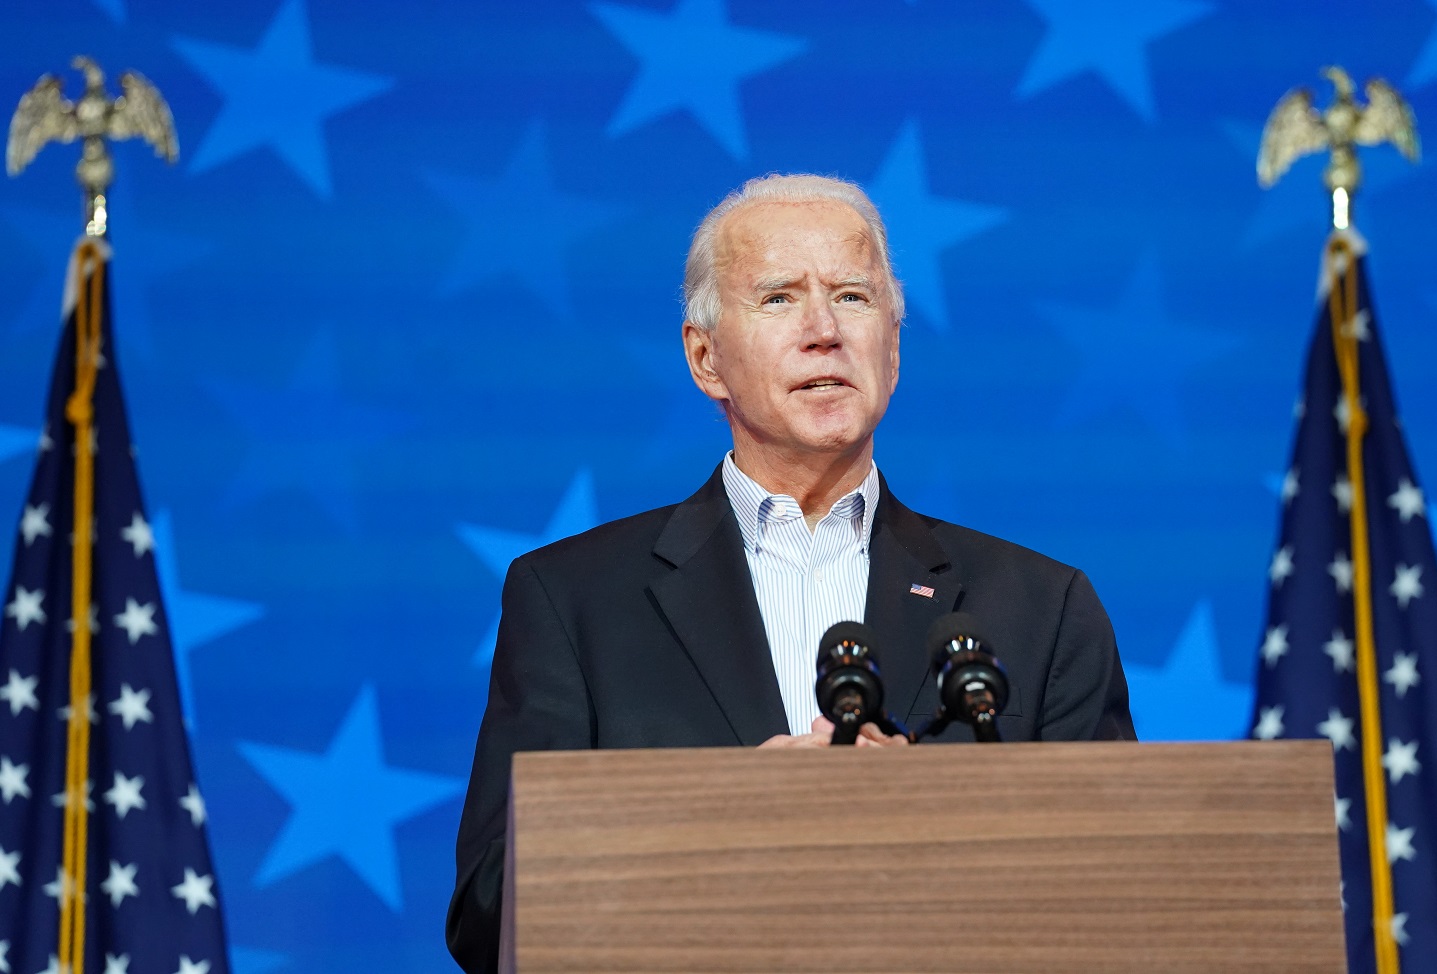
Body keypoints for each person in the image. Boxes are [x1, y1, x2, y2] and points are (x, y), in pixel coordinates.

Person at [446, 174, 1134, 973]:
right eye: (778, 298)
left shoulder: (1041, 608)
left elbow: (1113, 903)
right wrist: (728, 820)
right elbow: (491, 911)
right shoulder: (572, 601)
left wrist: (940, 826)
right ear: (705, 359)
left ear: (894, 348)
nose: (824, 330)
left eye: (853, 297)